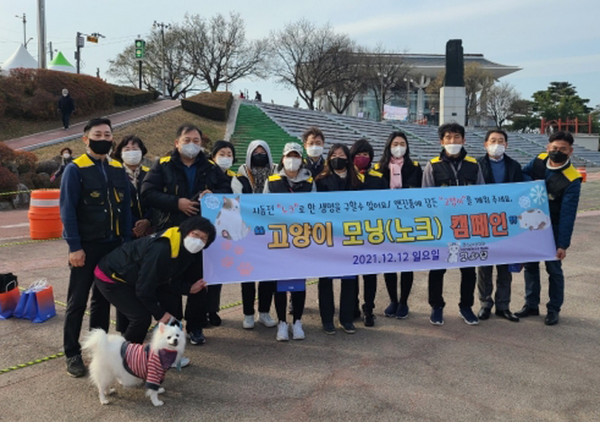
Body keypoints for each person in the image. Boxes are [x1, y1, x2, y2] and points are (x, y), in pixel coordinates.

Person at [141, 124, 230, 346]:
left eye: (197, 141)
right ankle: (172, 327)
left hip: (200, 234)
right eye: (187, 140)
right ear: (177, 143)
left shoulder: (210, 167)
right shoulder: (162, 165)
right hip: (171, 234)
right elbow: (147, 192)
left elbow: (228, 190)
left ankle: (196, 326)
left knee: (198, 281)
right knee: (169, 281)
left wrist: (215, 195)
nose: (192, 145)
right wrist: (176, 203)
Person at [59, 117, 132, 377]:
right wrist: (74, 247)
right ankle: (72, 353)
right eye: (97, 135)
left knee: (102, 300)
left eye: (107, 135)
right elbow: (67, 211)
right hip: (85, 248)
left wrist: (126, 242)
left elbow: (125, 210)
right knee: (77, 301)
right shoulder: (75, 169)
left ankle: (98, 350)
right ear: (85, 138)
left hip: (112, 246)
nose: (103, 139)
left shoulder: (117, 168)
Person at [94, 216, 215, 345]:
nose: (198, 241)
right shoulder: (162, 249)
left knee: (169, 305)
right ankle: (124, 357)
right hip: (111, 276)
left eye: (203, 239)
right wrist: (160, 314)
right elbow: (144, 288)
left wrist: (189, 289)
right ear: (186, 231)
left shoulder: (184, 249)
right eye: (195, 234)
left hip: (133, 277)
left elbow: (167, 279)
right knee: (141, 317)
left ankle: (164, 352)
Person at [515, 131, 582, 326]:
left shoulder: (572, 179)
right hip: (531, 224)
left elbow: (568, 214)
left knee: (553, 269)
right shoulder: (539, 160)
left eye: (562, 149)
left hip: (553, 227)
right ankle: (531, 304)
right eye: (554, 148)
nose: (557, 152)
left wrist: (562, 244)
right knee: (530, 266)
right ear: (547, 148)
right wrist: (536, 188)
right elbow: (524, 174)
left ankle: (553, 309)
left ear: (570, 152)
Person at [422, 122, 485, 326]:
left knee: (468, 269)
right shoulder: (432, 165)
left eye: (457, 137)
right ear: (441, 141)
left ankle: (466, 307)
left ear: (464, 140)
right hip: (441, 227)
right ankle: (436, 307)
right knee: (438, 268)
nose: (453, 141)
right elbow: (426, 197)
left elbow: (480, 194)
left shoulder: (474, 165)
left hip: (467, 227)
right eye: (448, 138)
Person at [264, 142, 316, 341]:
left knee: (299, 283)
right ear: (283, 158)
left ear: (301, 159)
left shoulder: (309, 181)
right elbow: (264, 208)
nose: (292, 160)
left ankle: (298, 322)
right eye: (288, 155)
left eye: (296, 155)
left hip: (301, 239)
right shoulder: (273, 181)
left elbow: (315, 208)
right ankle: (282, 323)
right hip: (279, 239)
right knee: (280, 283)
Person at [374, 131, 423, 320]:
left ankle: (404, 301)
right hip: (386, 221)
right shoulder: (379, 168)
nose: (399, 147)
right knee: (390, 261)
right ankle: (393, 300)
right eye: (395, 143)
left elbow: (420, 193)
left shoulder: (415, 167)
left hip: (408, 221)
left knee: (407, 261)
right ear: (388, 146)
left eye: (402, 143)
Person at [476, 129, 523, 322]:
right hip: (483, 222)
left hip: (507, 224)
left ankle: (503, 305)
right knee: (484, 266)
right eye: (493, 140)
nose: (497, 144)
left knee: (505, 267)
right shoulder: (476, 165)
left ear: (507, 145)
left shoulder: (514, 166)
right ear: (485, 144)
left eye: (501, 141)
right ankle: (485, 303)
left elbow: (521, 193)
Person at [316, 143, 363, 334]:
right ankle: (327, 319)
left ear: (348, 158)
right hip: (327, 235)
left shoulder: (357, 180)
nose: (338, 157)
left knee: (349, 279)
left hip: (350, 235)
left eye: (341, 154)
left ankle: (346, 319)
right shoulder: (320, 180)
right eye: (334, 154)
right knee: (325, 279)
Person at [231, 140, 278, 329]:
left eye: (263, 152)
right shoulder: (240, 176)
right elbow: (235, 200)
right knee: (247, 273)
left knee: (268, 274)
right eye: (256, 152)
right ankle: (248, 313)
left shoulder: (276, 174)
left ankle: (264, 312)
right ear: (249, 155)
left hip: (270, 230)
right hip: (246, 230)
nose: (260, 155)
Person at [348, 138, 386, 327]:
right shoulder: (347, 177)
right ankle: (353, 306)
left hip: (372, 233)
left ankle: (368, 308)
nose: (362, 158)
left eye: (366, 155)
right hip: (351, 233)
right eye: (358, 155)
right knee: (353, 273)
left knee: (370, 274)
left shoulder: (378, 178)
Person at [204, 140, 239, 327]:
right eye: (222, 153)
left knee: (217, 273)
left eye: (229, 154)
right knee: (203, 271)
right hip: (207, 228)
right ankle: (200, 312)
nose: (226, 158)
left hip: (226, 230)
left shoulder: (235, 177)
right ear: (213, 155)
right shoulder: (206, 174)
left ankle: (212, 310)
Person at [113, 135, 152, 238]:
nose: (131, 152)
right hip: (125, 231)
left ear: (141, 152)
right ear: (120, 153)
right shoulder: (114, 174)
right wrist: (135, 224)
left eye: (134, 149)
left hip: (151, 229)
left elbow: (157, 199)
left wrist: (148, 221)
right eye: (127, 149)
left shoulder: (151, 173)